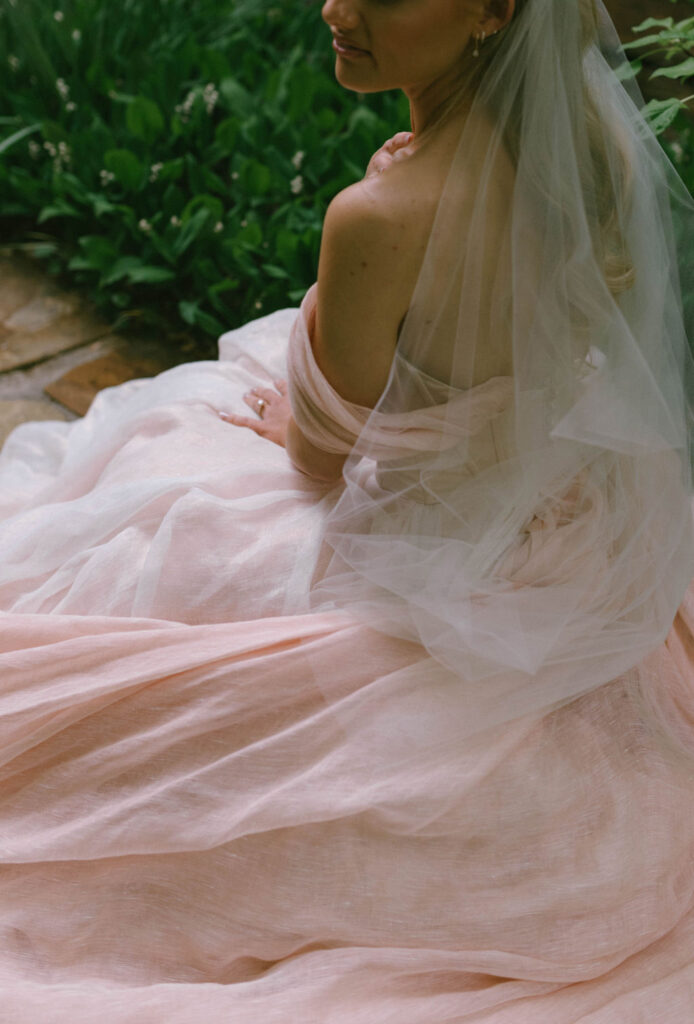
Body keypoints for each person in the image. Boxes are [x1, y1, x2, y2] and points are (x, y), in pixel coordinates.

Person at [0, 0, 693, 1020]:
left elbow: (322, 454)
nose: (338, 9)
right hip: (555, 529)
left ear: (494, 12)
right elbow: (573, 355)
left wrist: (294, 403)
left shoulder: (380, 217)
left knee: (167, 474)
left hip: (421, 547)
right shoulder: (597, 157)